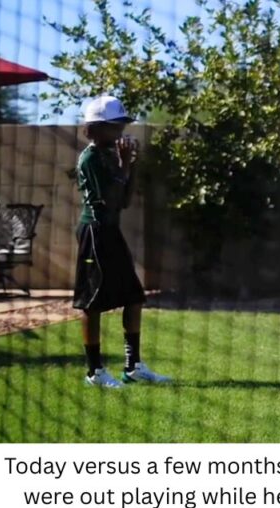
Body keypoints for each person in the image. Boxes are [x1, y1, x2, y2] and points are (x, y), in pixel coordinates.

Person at [74, 95, 170, 388]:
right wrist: (125, 165)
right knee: (92, 303)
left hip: (111, 231)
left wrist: (132, 166)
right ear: (95, 128)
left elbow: (125, 201)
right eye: (114, 126)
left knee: (133, 297)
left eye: (121, 126)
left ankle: (133, 367)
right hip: (94, 232)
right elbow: (108, 199)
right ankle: (95, 372)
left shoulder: (110, 156)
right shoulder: (91, 158)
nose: (120, 132)